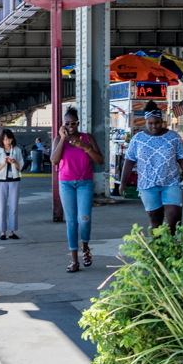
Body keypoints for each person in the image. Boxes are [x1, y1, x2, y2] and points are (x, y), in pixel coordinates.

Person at [121, 109, 183, 234]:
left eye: (157, 123)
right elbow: (129, 161)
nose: (154, 126)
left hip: (170, 181)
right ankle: (158, 248)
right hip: (147, 184)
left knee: (174, 216)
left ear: (162, 122)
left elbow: (182, 158)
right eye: (150, 123)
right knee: (155, 218)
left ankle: (172, 244)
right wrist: (123, 182)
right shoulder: (137, 139)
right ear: (145, 122)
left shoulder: (173, 137)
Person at [51, 106, 106, 271]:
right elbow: (54, 160)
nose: (70, 126)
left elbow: (100, 160)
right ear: (63, 125)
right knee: (71, 222)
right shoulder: (58, 139)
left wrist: (85, 147)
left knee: (84, 219)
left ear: (78, 123)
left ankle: (86, 247)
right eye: (67, 124)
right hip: (66, 183)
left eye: (73, 123)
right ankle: (74, 260)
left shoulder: (87, 138)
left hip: (84, 183)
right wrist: (62, 139)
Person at [0, 128, 24, 241]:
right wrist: (4, 163)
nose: (7, 141)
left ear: (12, 139)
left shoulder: (17, 150)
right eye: (5, 139)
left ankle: (12, 232)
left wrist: (14, 163)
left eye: (9, 139)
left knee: (14, 207)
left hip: (15, 180)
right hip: (1, 181)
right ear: (1, 140)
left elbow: (21, 168)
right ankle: (2, 232)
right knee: (1, 207)